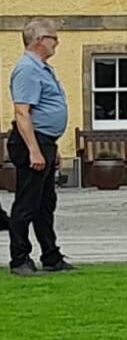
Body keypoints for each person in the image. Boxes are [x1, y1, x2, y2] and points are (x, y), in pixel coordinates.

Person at [7, 19, 75, 276]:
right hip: (31, 142)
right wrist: (34, 150)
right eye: (53, 37)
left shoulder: (42, 69)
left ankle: (51, 255)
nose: (57, 42)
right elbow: (22, 113)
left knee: (45, 204)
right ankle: (19, 258)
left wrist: (51, 147)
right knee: (27, 203)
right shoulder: (27, 69)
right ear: (38, 40)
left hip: (44, 141)